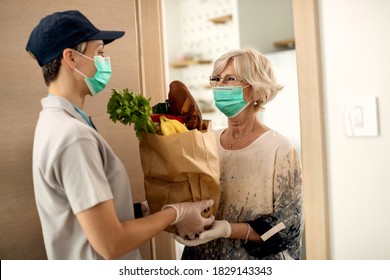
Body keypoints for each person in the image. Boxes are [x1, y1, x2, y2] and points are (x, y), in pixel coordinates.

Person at [26, 10, 214, 260]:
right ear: (70, 57)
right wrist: (176, 214)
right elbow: (111, 243)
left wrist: (140, 211)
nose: (105, 60)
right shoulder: (73, 136)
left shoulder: (57, 122)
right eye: (100, 52)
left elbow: (80, 214)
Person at [172, 47, 304, 260]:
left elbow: (287, 226)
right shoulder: (207, 141)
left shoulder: (280, 149)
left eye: (230, 79)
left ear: (255, 89)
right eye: (217, 79)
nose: (220, 86)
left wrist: (227, 229)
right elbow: (187, 195)